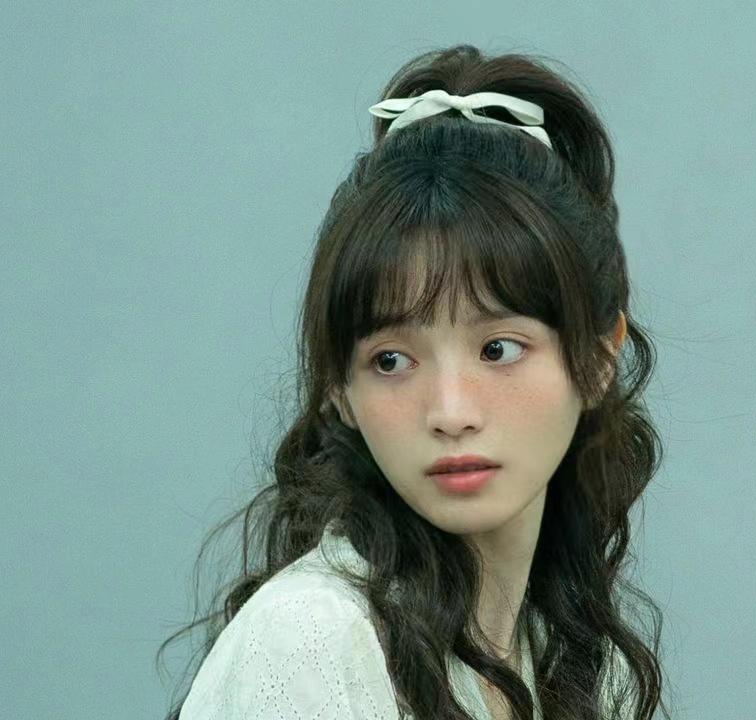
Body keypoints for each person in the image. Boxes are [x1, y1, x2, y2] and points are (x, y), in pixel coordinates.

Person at [158, 44, 667, 720]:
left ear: (600, 357)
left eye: (497, 349)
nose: (450, 412)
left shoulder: (575, 658)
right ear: (339, 389)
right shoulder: (311, 640)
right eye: (391, 361)